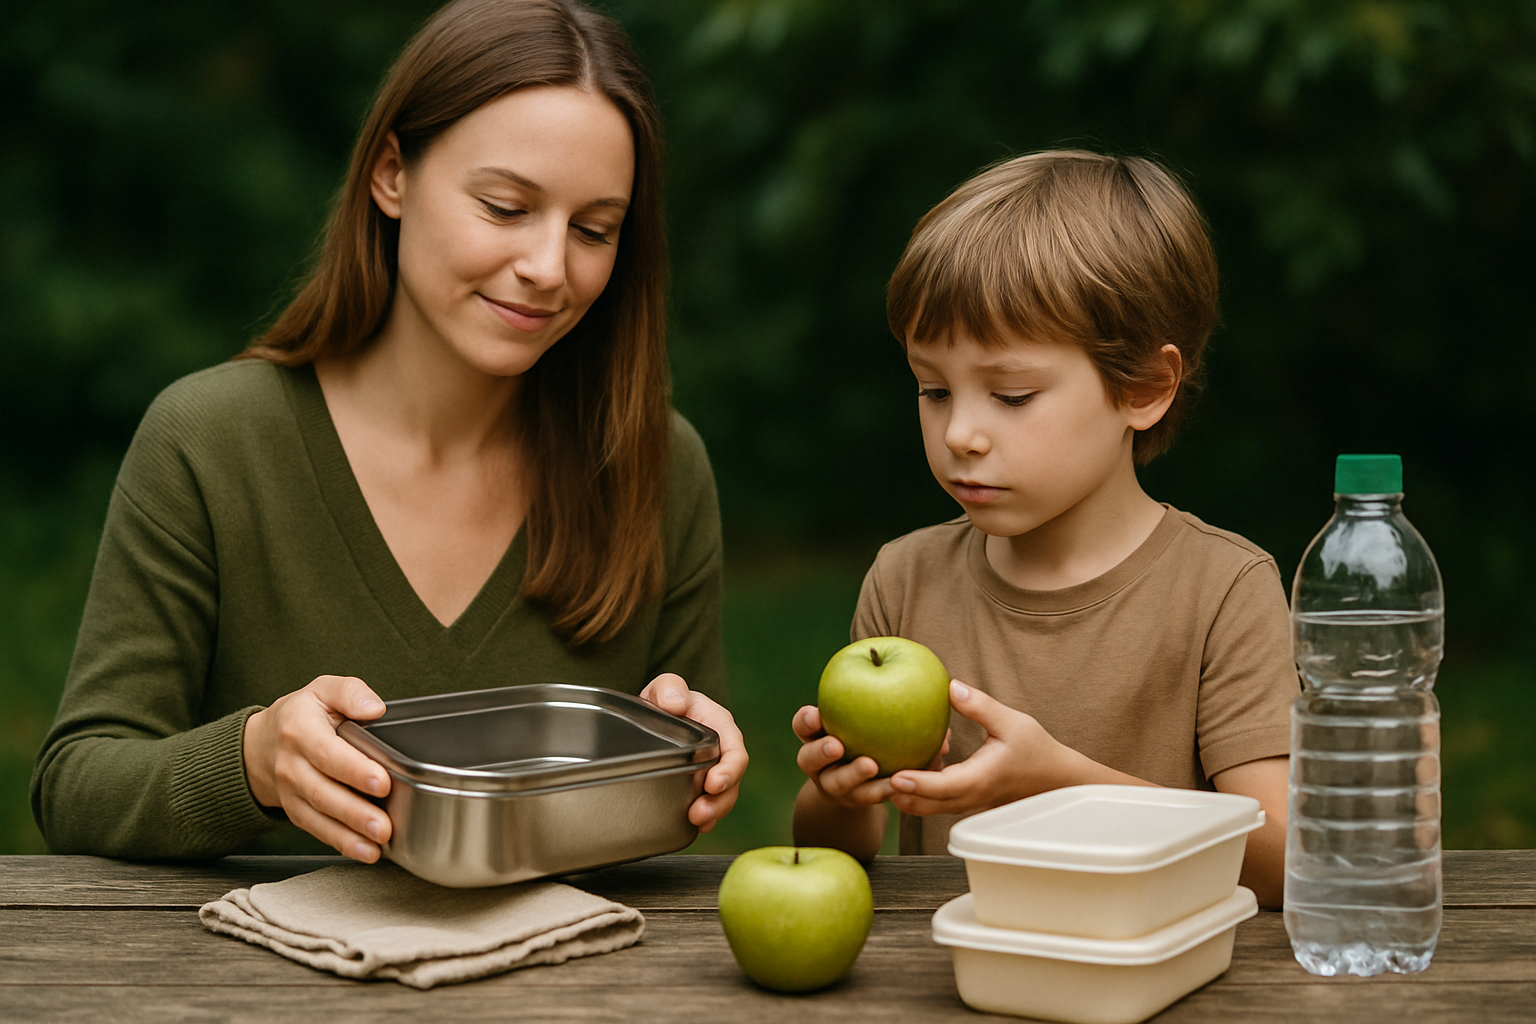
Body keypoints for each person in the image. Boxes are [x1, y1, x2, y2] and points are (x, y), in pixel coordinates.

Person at [31, 0, 746, 864]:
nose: (550, 268)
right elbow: (76, 785)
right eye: (505, 206)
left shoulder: (657, 465)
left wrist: (693, 763)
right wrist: (254, 761)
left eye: (594, 230)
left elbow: (669, 836)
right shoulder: (210, 441)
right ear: (390, 175)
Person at [790, 150, 1297, 907]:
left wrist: (1060, 779)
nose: (961, 431)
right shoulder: (904, 580)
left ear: (1144, 388)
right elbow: (837, 854)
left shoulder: (1222, 590)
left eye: (1013, 395)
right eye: (932, 389)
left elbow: (1288, 861)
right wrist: (842, 790)